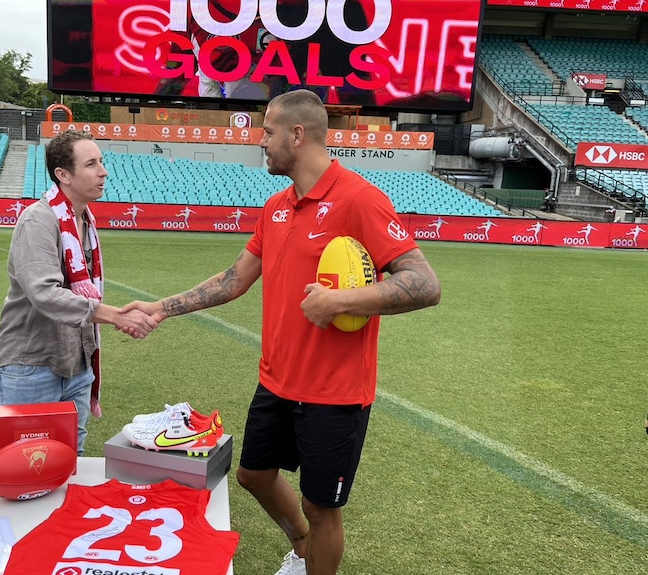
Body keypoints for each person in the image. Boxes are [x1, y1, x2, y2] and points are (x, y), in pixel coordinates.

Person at [122, 89, 441, 575]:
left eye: (268, 132)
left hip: (334, 393)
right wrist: (162, 308)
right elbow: (234, 279)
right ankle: (300, 547)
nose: (261, 142)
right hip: (276, 380)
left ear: (297, 134)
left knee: (322, 507)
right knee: (252, 474)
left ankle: (313, 548)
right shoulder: (275, 207)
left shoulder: (359, 198)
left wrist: (342, 300)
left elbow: (424, 283)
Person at [0, 129, 157, 456]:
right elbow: (44, 293)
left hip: (78, 365)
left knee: (69, 462)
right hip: (32, 366)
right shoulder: (39, 220)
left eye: (102, 162)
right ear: (63, 175)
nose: (103, 171)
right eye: (91, 164)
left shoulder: (85, 220)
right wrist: (114, 315)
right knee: (28, 469)